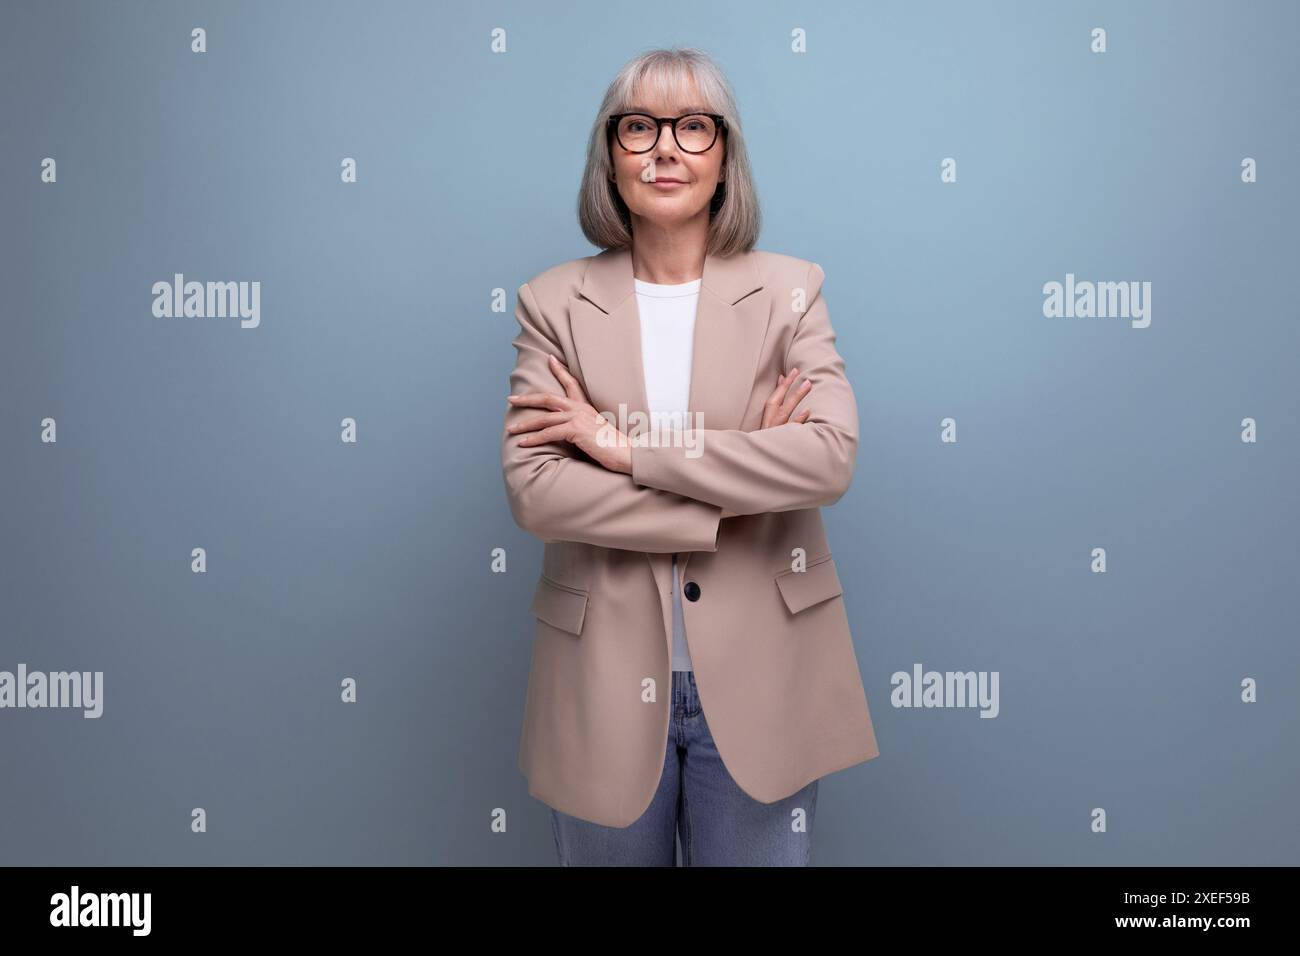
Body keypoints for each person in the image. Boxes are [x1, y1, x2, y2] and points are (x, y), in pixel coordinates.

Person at [501, 47, 879, 866]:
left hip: (765, 677)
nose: (664, 148)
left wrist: (621, 447)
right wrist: (738, 479)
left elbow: (827, 458)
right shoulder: (552, 303)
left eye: (692, 128)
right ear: (610, 157)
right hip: (599, 679)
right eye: (638, 126)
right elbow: (537, 492)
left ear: (724, 158)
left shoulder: (792, 290)